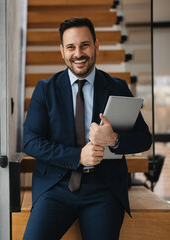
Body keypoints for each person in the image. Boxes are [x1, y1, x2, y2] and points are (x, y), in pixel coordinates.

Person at [22, 17, 152, 240]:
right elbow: (30, 141)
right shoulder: (45, 89)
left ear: (96, 46)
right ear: (62, 51)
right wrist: (78, 156)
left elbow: (144, 139)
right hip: (56, 186)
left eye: (84, 45)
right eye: (71, 47)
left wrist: (114, 140)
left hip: (103, 189)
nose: (78, 53)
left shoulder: (118, 87)